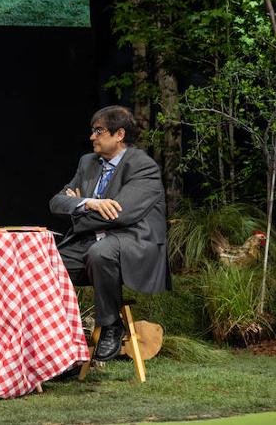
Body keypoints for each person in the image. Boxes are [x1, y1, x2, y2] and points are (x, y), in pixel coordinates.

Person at [48, 105, 169, 363]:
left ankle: (111, 324)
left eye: (99, 131)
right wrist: (89, 203)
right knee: (46, 264)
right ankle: (62, 347)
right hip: (92, 242)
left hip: (134, 244)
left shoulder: (142, 166)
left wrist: (79, 209)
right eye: (92, 131)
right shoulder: (87, 162)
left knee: (101, 253)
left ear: (119, 134)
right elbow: (56, 202)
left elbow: (120, 215)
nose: (92, 137)